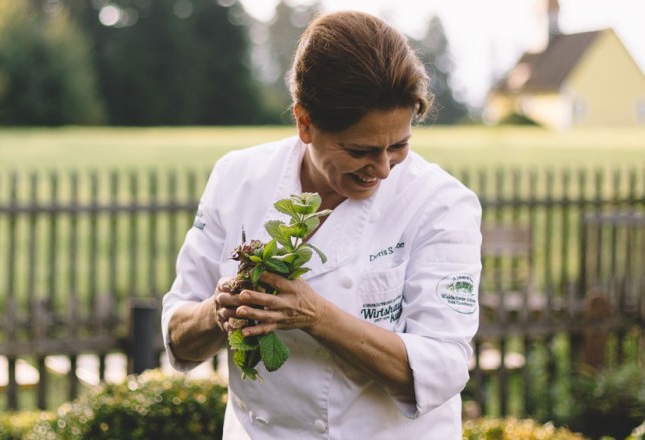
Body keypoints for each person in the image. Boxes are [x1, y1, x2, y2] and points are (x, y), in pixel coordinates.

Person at [161, 10, 481, 439]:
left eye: (400, 145)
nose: (383, 169)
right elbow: (179, 335)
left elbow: (443, 368)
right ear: (305, 123)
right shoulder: (237, 178)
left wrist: (315, 316)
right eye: (360, 150)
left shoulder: (440, 203)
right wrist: (215, 313)